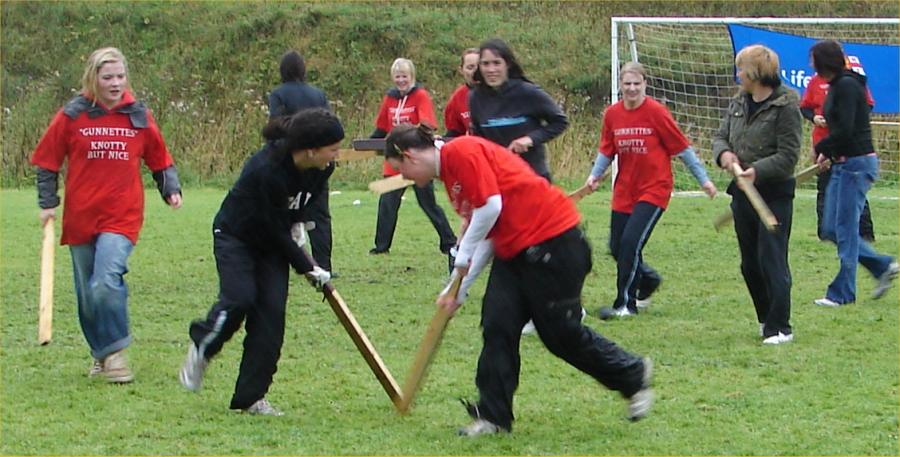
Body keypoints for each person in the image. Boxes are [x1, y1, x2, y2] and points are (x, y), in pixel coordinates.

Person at [384, 123, 653, 436]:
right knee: (498, 325)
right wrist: (458, 289)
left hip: (555, 244)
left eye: (400, 169)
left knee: (560, 336)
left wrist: (460, 258)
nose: (405, 178)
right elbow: (486, 230)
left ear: (409, 155)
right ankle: (493, 417)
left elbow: (490, 208)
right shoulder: (450, 176)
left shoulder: (462, 151)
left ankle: (632, 374)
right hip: (513, 252)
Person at [30, 47, 182, 383]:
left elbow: (160, 157)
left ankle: (115, 355)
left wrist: (170, 187)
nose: (115, 83)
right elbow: (47, 159)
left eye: (120, 76)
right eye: (107, 77)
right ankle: (101, 354)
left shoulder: (138, 115)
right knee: (87, 293)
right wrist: (47, 201)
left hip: (122, 215)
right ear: (93, 78)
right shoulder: (73, 115)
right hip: (81, 215)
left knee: (104, 282)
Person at [179, 108, 342, 416]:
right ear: (310, 149)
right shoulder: (265, 169)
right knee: (240, 298)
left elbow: (304, 204)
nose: (335, 156)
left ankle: (250, 398)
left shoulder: (322, 168)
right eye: (332, 149)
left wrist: (299, 228)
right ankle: (203, 345)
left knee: (271, 317)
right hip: (236, 236)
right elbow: (272, 227)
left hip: (273, 243)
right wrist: (307, 266)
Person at [586, 62, 717, 320]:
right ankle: (648, 281)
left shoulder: (657, 113)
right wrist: (594, 175)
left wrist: (704, 180)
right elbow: (607, 150)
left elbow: (682, 148)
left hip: (654, 189)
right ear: (620, 85)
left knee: (630, 244)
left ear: (645, 84)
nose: (632, 89)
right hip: (625, 190)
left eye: (637, 83)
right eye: (627, 84)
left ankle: (625, 304)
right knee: (616, 246)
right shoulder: (612, 114)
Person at [712, 45, 801, 345]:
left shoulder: (786, 105)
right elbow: (721, 136)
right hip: (741, 194)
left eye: (742, 69)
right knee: (749, 263)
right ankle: (766, 319)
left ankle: (781, 327)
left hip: (773, 194)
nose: (738, 74)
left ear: (756, 73)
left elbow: (788, 156)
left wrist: (757, 171)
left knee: (771, 259)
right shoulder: (739, 101)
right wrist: (724, 154)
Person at [807, 40, 898, 307]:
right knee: (831, 228)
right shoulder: (838, 86)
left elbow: (845, 129)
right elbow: (840, 131)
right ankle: (882, 265)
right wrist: (828, 152)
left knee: (845, 230)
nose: (810, 65)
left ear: (823, 62)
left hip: (856, 165)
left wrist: (823, 146)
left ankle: (842, 293)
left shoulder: (847, 86)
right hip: (842, 162)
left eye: (813, 60)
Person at [369, 58, 457, 258]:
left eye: (404, 76)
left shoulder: (420, 95)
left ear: (412, 77)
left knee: (427, 203)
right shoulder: (390, 98)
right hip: (395, 160)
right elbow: (382, 126)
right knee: (387, 202)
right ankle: (381, 246)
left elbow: (427, 124)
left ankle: (448, 241)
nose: (401, 80)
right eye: (397, 77)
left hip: (416, 160)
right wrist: (369, 143)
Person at [268, 50, 335, 272]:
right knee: (320, 214)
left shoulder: (278, 94)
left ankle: (286, 258)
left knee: (284, 210)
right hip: (318, 159)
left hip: (292, 162)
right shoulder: (318, 94)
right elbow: (328, 123)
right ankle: (323, 263)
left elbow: (276, 126)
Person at [468, 38, 568, 182]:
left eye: (497, 63)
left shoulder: (528, 92)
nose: (491, 70)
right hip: (497, 178)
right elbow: (478, 138)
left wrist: (530, 139)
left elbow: (560, 122)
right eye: (485, 64)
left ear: (507, 64)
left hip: (532, 176)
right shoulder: (475, 97)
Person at [800, 69, 875, 242]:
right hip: (823, 144)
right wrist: (814, 118)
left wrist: (842, 118)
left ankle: (865, 233)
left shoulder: (850, 83)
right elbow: (805, 107)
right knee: (825, 188)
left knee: (855, 190)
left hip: (848, 146)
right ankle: (825, 234)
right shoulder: (815, 81)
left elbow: (867, 105)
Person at [443, 47, 479, 138]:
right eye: (470, 67)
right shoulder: (457, 99)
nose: (475, 72)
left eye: (479, 66)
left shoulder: (498, 93)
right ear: (461, 70)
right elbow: (454, 134)